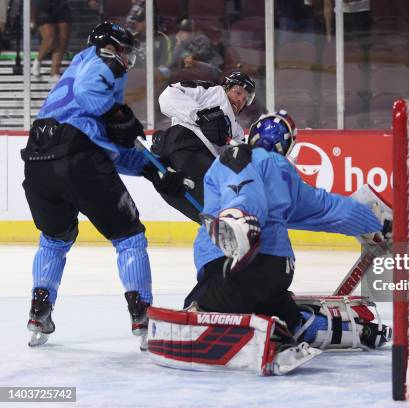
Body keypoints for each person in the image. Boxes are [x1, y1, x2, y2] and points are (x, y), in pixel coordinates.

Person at [21, 21, 188, 349]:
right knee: (129, 237)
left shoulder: (69, 87)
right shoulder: (102, 61)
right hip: (77, 157)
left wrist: (149, 169)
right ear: (115, 47)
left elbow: (101, 147)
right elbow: (90, 102)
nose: (128, 59)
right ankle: (143, 315)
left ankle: (39, 310)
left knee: (54, 239)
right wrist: (118, 114)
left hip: (39, 158)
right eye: (127, 52)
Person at [183, 110, 391, 349]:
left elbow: (244, 189)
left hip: (236, 264)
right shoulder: (288, 177)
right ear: (289, 144)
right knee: (284, 314)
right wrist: (377, 224)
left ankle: (213, 311)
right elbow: (328, 209)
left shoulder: (238, 155)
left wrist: (239, 218)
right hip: (277, 270)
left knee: (198, 309)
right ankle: (350, 330)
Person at [152, 71, 256, 223]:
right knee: (225, 212)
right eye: (238, 92)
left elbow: (232, 163)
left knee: (215, 222)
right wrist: (200, 116)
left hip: (192, 170)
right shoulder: (213, 91)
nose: (241, 99)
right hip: (183, 147)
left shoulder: (237, 132)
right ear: (226, 86)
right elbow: (167, 96)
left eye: (245, 98)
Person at [31, 0, 72, 81]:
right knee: (50, 39)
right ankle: (38, 60)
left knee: (63, 38)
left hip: (61, 5)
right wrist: (32, 18)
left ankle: (55, 72)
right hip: (43, 5)